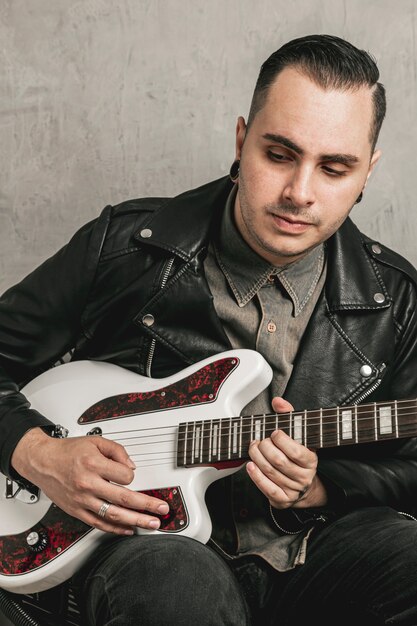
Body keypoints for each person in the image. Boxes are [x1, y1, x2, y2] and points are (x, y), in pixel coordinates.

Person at [1, 33, 417, 626]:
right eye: (278, 154)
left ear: (367, 172)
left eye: (333, 167)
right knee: (175, 583)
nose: (299, 193)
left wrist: (321, 489)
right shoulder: (125, 248)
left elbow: (410, 469)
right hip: (152, 552)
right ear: (242, 139)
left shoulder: (396, 299)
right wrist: (38, 452)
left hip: (313, 555)